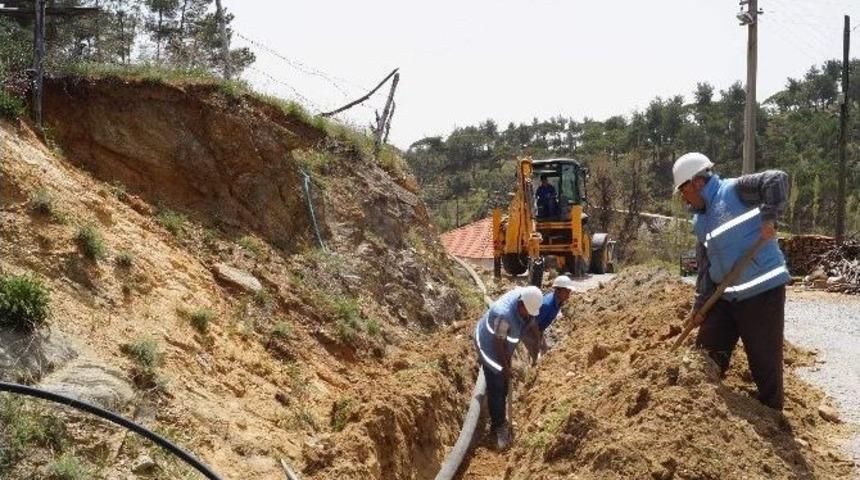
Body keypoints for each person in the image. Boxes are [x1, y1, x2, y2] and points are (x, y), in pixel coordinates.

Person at [673, 152, 790, 410]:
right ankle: (696, 410)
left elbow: (776, 179)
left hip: (762, 292)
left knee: (763, 361)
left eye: (683, 190)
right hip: (725, 298)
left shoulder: (734, 190)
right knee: (705, 356)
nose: (683, 197)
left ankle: (773, 419)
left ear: (697, 183)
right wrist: (699, 307)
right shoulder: (700, 220)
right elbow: (706, 268)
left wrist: (769, 217)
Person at [474, 285, 542, 450]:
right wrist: (505, 369)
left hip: (500, 345)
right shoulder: (504, 315)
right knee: (497, 386)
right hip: (489, 347)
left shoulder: (526, 299)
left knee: (504, 386)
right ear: (520, 304)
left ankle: (500, 418)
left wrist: (539, 346)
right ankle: (498, 427)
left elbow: (530, 324)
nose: (529, 316)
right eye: (528, 312)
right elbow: (498, 345)